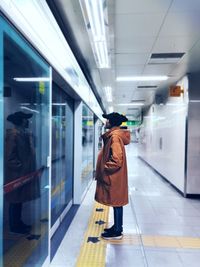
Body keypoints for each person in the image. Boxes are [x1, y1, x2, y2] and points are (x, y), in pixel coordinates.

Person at [95, 112, 130, 240]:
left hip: (114, 176)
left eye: (107, 120)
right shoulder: (115, 136)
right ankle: (117, 227)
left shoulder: (114, 137)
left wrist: (104, 168)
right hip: (116, 176)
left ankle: (117, 232)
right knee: (117, 203)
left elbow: (116, 159)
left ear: (112, 122)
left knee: (117, 202)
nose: (106, 122)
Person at [4, 111, 40, 234]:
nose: (28, 121)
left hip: (22, 175)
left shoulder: (23, 134)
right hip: (16, 176)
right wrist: (21, 168)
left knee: (18, 201)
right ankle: (15, 226)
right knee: (15, 201)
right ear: (21, 121)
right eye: (26, 119)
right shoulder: (13, 135)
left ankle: (18, 223)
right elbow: (9, 157)